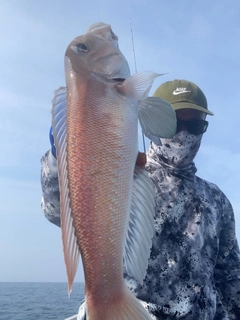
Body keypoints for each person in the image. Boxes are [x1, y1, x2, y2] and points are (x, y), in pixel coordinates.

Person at [41, 79, 240, 319]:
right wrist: (58, 159)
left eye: (196, 126)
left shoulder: (217, 199)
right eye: (174, 122)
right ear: (153, 121)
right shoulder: (124, 176)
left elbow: (229, 273)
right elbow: (58, 211)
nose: (184, 134)